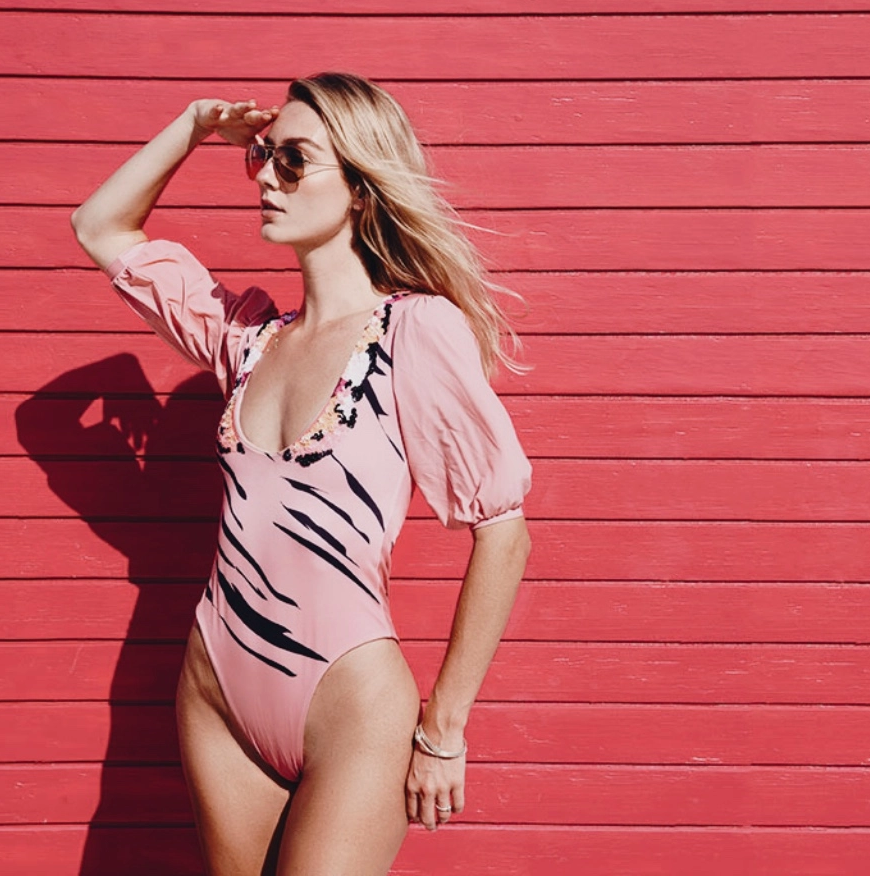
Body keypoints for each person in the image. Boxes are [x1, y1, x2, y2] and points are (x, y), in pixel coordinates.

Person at [69, 71, 533, 874]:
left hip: (347, 700)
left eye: (294, 160)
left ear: (360, 184)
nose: (266, 179)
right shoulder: (246, 338)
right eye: (262, 156)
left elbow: (504, 533)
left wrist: (444, 730)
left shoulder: (414, 331)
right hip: (218, 689)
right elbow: (100, 226)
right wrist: (192, 127)